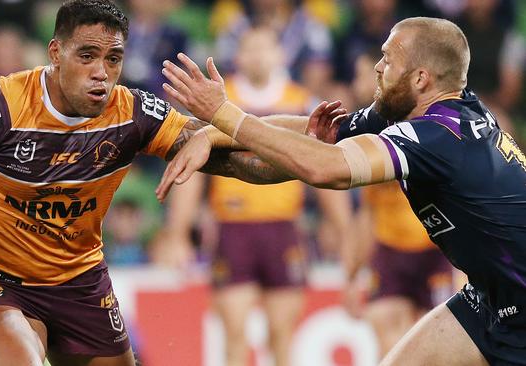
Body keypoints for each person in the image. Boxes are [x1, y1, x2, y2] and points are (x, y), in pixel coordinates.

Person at [0, 1, 313, 365]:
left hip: (80, 280)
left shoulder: (134, 114)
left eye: (113, 59)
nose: (102, 72)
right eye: (86, 55)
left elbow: (245, 161)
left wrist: (311, 144)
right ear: (55, 52)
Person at [157, 16, 526, 365]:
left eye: (387, 58)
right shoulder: (437, 110)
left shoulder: (434, 138)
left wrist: (223, 115)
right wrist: (211, 132)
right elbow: (313, 136)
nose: (377, 68)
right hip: (490, 296)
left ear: (420, 79)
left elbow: (325, 168)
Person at [158, 26, 354, 366]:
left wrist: (343, 230)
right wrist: (177, 233)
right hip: (233, 229)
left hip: (283, 229)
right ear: (238, 56)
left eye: (265, 48)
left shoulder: (302, 103)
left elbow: (324, 162)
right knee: (234, 335)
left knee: (282, 336)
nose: (258, 56)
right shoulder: (220, 100)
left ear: (281, 55)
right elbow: (196, 167)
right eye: (250, 49)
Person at [342, 50, 454, 360]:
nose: (359, 83)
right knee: (387, 339)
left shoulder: (431, 122)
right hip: (390, 250)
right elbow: (367, 210)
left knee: (443, 346)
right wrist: (352, 274)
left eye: (368, 75)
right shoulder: (361, 131)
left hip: (435, 250)